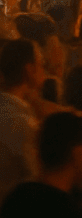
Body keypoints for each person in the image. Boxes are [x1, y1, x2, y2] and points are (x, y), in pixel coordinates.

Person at [0, 38, 46, 203]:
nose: (44, 70)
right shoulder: (22, 123)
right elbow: (35, 176)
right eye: (41, 63)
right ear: (29, 70)